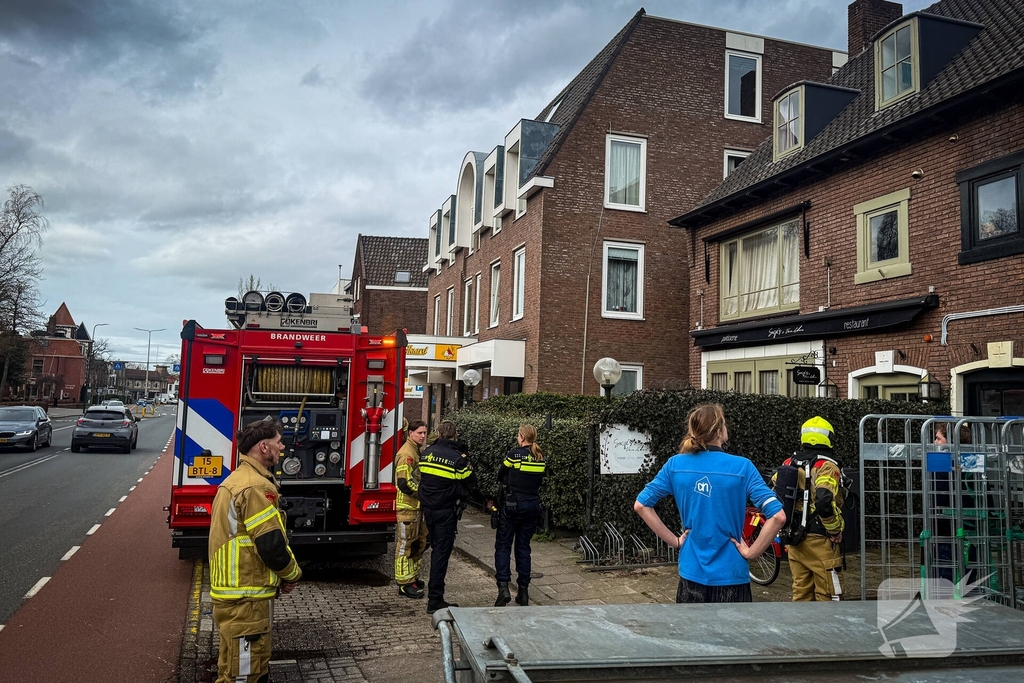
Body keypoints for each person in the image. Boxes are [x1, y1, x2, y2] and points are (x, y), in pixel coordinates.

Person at [634, 404, 785, 603]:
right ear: (719, 431)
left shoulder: (675, 465)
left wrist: (675, 541)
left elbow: (641, 505)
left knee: (691, 625)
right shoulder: (743, 467)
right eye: (725, 424)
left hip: (691, 574)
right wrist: (752, 552)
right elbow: (778, 516)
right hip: (732, 575)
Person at [209, 418, 302, 683]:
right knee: (245, 675)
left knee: (232, 670)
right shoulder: (256, 487)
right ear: (263, 447)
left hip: (233, 596)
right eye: (278, 442)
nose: (282, 447)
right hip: (246, 599)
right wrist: (293, 574)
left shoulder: (235, 481)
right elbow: (271, 545)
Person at [776, 416, 845, 601]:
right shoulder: (826, 466)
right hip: (821, 541)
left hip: (794, 540)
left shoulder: (789, 463)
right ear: (828, 437)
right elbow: (824, 501)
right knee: (829, 595)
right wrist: (834, 530)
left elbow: (773, 492)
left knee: (801, 594)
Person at [418, 420, 477, 614]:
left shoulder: (426, 454)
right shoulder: (458, 458)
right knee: (440, 555)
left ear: (439, 434)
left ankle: (434, 595)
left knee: (436, 548)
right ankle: (435, 600)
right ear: (455, 435)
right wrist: (459, 492)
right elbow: (470, 482)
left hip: (428, 510)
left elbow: (425, 479)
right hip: (445, 511)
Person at [493, 424, 547, 607]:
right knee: (523, 548)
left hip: (512, 506)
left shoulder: (514, 454)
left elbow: (501, 474)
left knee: (503, 546)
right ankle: (523, 591)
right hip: (532, 506)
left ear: (522, 437)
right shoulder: (540, 457)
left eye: (518, 435)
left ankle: (503, 588)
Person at [395, 420, 429, 598]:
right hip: (407, 508)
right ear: (410, 433)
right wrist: (424, 494)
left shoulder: (415, 450)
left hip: (416, 508)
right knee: (405, 545)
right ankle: (404, 584)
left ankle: (412, 578)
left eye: (424, 433)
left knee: (418, 543)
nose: (423, 436)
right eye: (419, 433)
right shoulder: (407, 453)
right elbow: (404, 483)